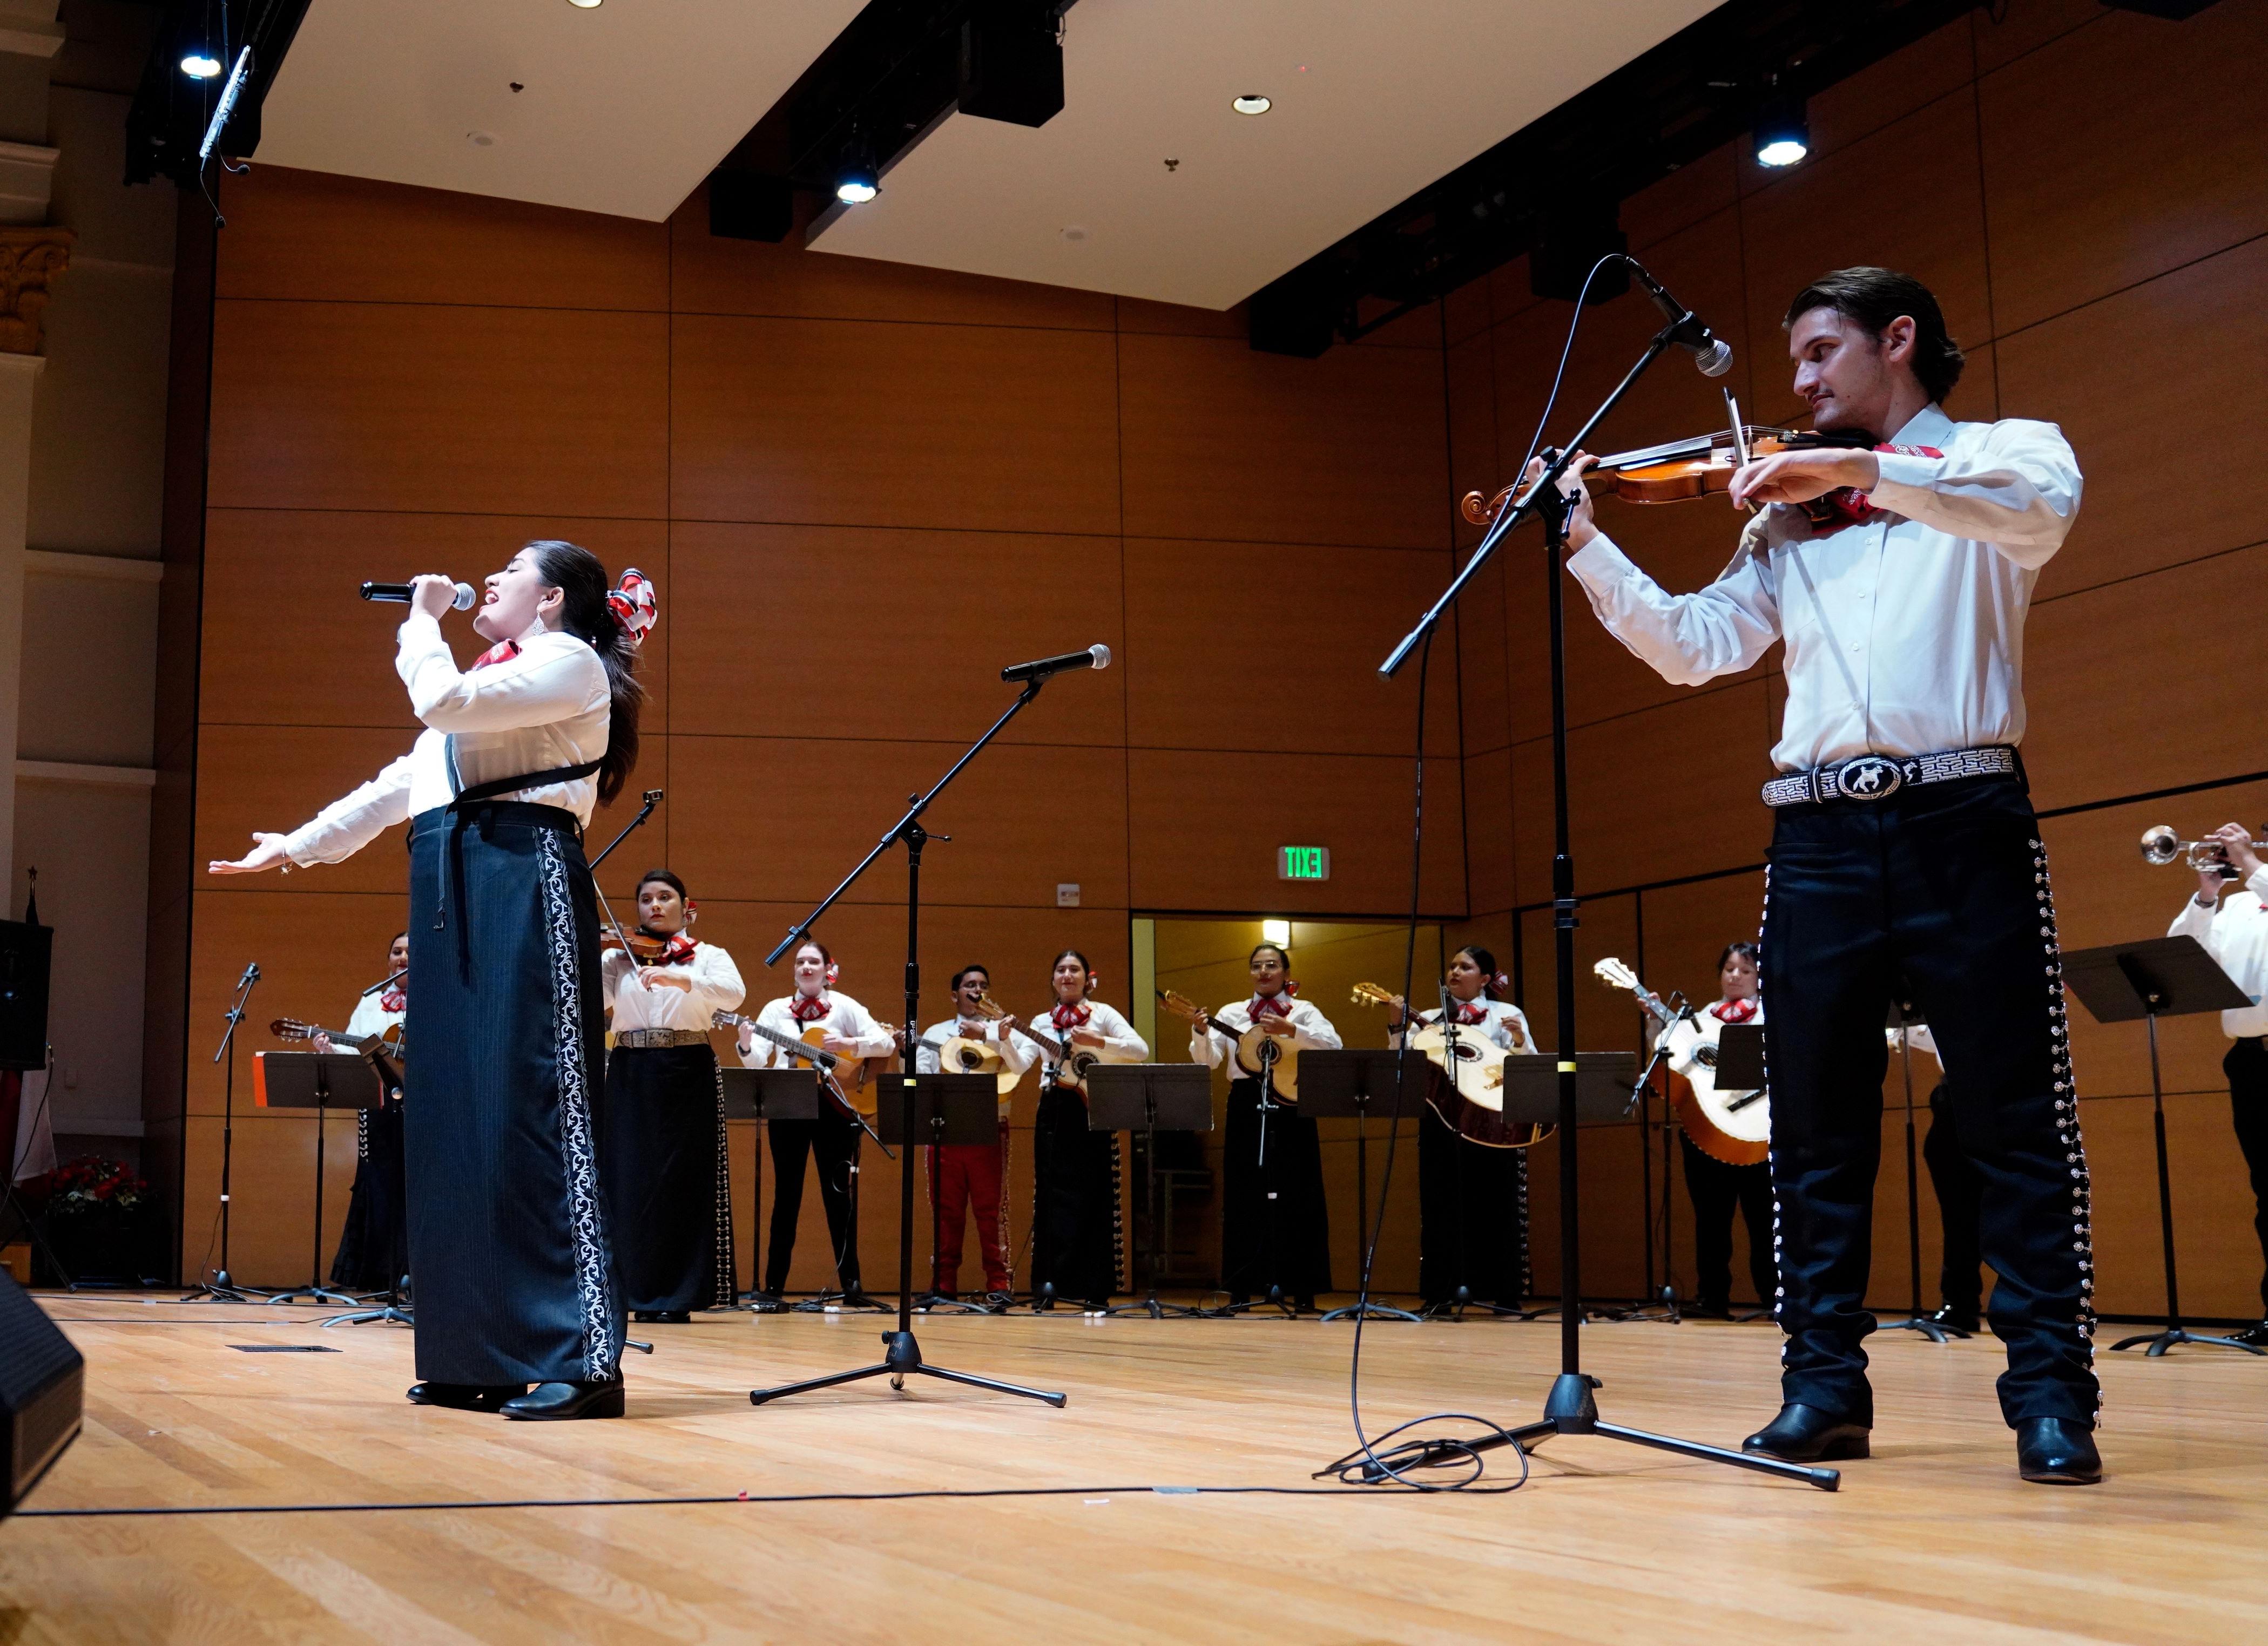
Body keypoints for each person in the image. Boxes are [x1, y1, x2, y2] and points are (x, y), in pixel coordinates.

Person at [1557, 266, 2097, 1482]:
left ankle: (2054, 1396)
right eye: (1796, 363)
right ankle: (1824, 1388)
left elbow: (2033, 512)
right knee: (1815, 1133)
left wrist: (1856, 473)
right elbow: (1699, 648)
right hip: (1816, 837)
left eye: (1816, 355)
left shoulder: (2004, 453)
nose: (1795, 385)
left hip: (1963, 814)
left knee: (2015, 1120)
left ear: (1896, 340)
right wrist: (1587, 543)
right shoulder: (1787, 523)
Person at [211, 541, 650, 1421]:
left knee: (536, 1106)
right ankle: (477, 1350)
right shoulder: (507, 673)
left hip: (524, 871)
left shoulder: (567, 663)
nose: (488, 581)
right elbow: (402, 782)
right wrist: (294, 845)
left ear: (553, 598)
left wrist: (420, 618)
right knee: (454, 1120)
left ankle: (583, 1356)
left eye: (510, 571)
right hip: (451, 876)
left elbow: (440, 699)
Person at [598, 869, 744, 1323]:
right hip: (630, 1068)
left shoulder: (709, 956)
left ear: (687, 906)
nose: (655, 906)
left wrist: (683, 982)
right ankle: (633, 1291)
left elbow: (735, 995)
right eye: (645, 899)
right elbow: (594, 1003)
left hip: (687, 1066)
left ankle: (680, 1295)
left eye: (665, 897)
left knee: (685, 1179)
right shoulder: (618, 958)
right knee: (629, 1179)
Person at [735, 939, 894, 1309]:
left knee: (839, 1196)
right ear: (794, 970)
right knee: (785, 1198)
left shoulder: (846, 1006)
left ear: (827, 969)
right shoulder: (775, 1010)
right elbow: (759, 1062)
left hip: (836, 1107)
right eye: (800, 962)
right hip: (788, 1107)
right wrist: (745, 1044)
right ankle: (773, 1287)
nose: (806, 967)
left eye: (813, 962)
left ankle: (852, 1284)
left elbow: (885, 1043)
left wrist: (850, 1042)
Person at [1190, 941, 1343, 1313]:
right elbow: (1208, 1061)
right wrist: (1199, 1032)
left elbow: (1334, 1047)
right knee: (1244, 1192)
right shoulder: (1232, 1012)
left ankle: (1302, 1287)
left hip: (1292, 1101)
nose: (1264, 971)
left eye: (1272, 965)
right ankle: (1242, 1286)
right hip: (1245, 1100)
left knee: (1299, 1191)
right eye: (1257, 965)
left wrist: (1293, 1029)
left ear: (1286, 974)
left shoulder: (1304, 1011)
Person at [1385, 945, 1538, 1316]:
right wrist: (1395, 1025)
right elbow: (1401, 1063)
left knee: (1498, 1207)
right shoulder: (1432, 1017)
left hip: (1493, 1124)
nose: (1455, 972)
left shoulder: (1506, 1013)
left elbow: (1527, 1067)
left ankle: (1504, 1293)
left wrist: (1518, 1041)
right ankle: (1440, 1291)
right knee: (1440, 1207)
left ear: (1485, 978)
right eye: (1452, 965)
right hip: (1442, 1120)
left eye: (1465, 967)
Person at [2168, 823, 2268, 1346]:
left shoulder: (2261, 881)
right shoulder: (2239, 906)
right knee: (2266, 1192)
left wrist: (2251, 863)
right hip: (2251, 1060)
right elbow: (2182, 953)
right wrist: (2208, 895)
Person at [1019, 950, 1145, 1309]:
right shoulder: (1042, 1021)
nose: (1067, 974)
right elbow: (1020, 1063)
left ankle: (1095, 1287)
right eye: (1060, 969)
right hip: (1053, 1109)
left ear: (1087, 977)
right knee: (1051, 1198)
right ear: (1053, 978)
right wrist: (1003, 1038)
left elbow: (1140, 1049)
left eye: (1074, 969)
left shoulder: (1103, 1014)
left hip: (1093, 1109)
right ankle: (1049, 1286)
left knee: (1096, 1196)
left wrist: (1099, 1042)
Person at [915, 964, 1030, 1308]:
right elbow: (921, 1076)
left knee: (990, 1210)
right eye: (969, 985)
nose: (976, 990)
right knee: (945, 1210)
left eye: (982, 984)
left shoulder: (1004, 1029)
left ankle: (999, 1284)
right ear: (955, 995)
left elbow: (1020, 1067)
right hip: (945, 1129)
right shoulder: (936, 1033)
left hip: (989, 1128)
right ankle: (943, 1285)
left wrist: (992, 1038)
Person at [1676, 943, 1776, 1319]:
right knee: (1711, 1220)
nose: (1735, 976)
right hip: (1710, 1131)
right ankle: (1712, 1298)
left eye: (1745, 970)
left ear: (1759, 977)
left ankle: (1775, 1299)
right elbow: (1679, 1064)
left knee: (1765, 1220)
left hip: (1758, 1132)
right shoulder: (1699, 1021)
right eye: (1729, 969)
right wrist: (1658, 1023)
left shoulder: (1773, 1016)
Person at [320, 930, 409, 1296]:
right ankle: (377, 1275)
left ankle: (419, 1275)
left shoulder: (441, 998)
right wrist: (329, 1048)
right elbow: (354, 1050)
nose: (402, 958)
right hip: (380, 1106)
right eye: (396, 951)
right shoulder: (371, 1002)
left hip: (425, 1106)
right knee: (378, 1183)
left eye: (410, 952)